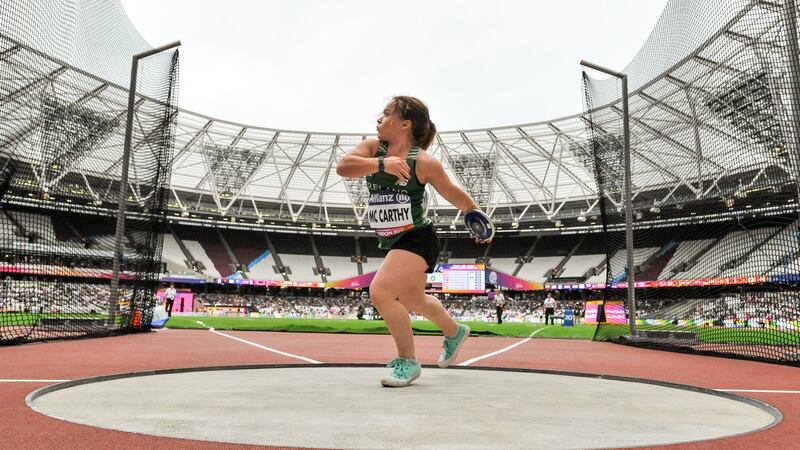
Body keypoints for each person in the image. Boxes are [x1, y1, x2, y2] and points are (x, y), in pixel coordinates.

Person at [336, 96, 490, 387]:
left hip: (418, 238)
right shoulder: (372, 148)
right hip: (393, 242)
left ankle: (408, 361)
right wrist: (382, 164)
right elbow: (344, 167)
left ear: (405, 124)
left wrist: (474, 215)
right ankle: (454, 331)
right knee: (413, 299)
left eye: (386, 114)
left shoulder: (423, 162)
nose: (379, 120)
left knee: (381, 292)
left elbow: (451, 191)